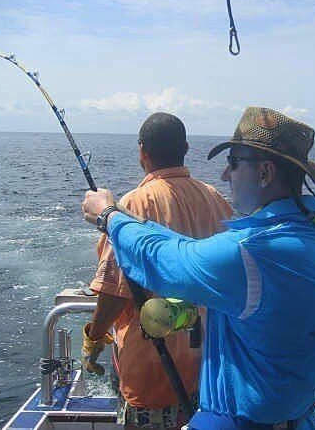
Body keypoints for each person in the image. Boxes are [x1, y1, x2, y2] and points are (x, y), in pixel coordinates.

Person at [82, 107, 315, 430]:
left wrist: (109, 216)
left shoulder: (254, 253)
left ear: (265, 173)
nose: (225, 175)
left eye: (234, 163)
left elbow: (169, 257)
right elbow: (188, 251)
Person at [82, 112, 233, 430]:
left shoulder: (131, 206)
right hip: (208, 366)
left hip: (151, 371)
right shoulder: (217, 199)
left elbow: (113, 291)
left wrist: (94, 338)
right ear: (186, 148)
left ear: (142, 151)